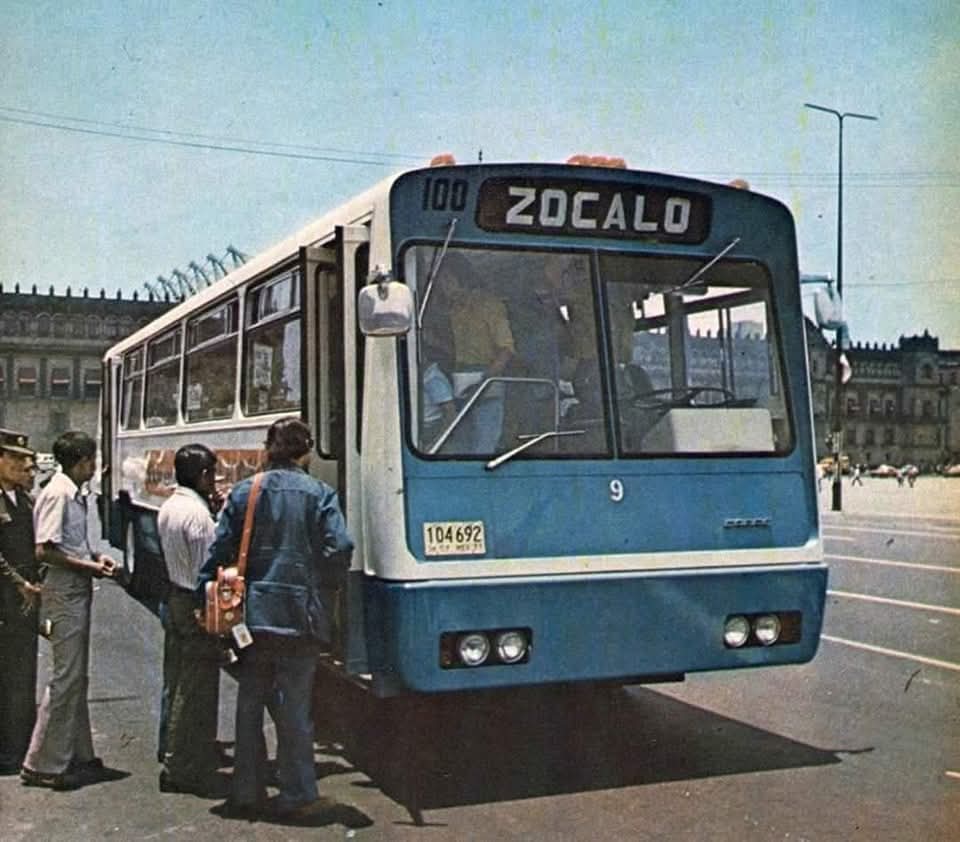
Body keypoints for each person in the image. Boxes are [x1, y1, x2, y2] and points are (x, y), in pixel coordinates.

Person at [199, 418, 353, 820]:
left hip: (252, 618)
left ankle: (246, 791)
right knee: (295, 709)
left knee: (250, 703)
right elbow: (342, 546)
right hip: (299, 617)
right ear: (306, 452)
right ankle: (297, 794)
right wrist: (321, 584)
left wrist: (207, 592)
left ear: (269, 448)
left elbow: (219, 552)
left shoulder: (245, 492)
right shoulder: (319, 493)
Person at [21, 431, 119, 790]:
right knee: (65, 677)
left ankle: (77, 754)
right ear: (81, 462)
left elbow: (73, 543)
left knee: (75, 676)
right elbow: (44, 550)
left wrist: (95, 556)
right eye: (91, 460)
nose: (94, 467)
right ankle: (41, 762)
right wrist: (89, 567)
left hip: (75, 589)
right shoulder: (59, 494)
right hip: (63, 593)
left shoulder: (73, 493)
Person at [157, 444, 226, 796]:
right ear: (202, 475)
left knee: (178, 677)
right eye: (212, 473)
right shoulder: (197, 517)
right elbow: (206, 570)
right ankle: (182, 766)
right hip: (195, 603)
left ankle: (171, 751)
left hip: (175, 596)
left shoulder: (171, 506)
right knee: (196, 689)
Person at [439, 252, 515, 454]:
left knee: (484, 444)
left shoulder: (489, 305)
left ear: (460, 277)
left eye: (447, 279)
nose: (443, 286)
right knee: (462, 441)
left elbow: (506, 349)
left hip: (486, 378)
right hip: (460, 380)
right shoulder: (452, 309)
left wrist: (485, 381)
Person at [0, 429, 42, 775]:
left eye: (25, 461)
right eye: (14, 459)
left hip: (24, 600)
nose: (22, 465)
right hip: (6, 597)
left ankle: (20, 742)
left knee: (23, 671)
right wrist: (20, 583)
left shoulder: (24, 498)